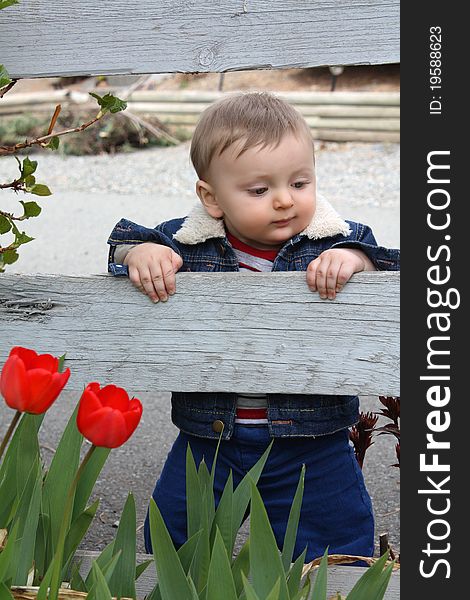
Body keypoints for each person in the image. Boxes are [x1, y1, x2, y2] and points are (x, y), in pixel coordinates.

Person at [107, 91, 400, 561]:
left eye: (300, 182)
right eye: (260, 191)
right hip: (209, 439)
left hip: (314, 442)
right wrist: (140, 254)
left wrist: (354, 260)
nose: (285, 200)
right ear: (212, 197)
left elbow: (384, 263)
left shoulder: (331, 239)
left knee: (333, 547)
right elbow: (124, 241)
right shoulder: (190, 243)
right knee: (177, 543)